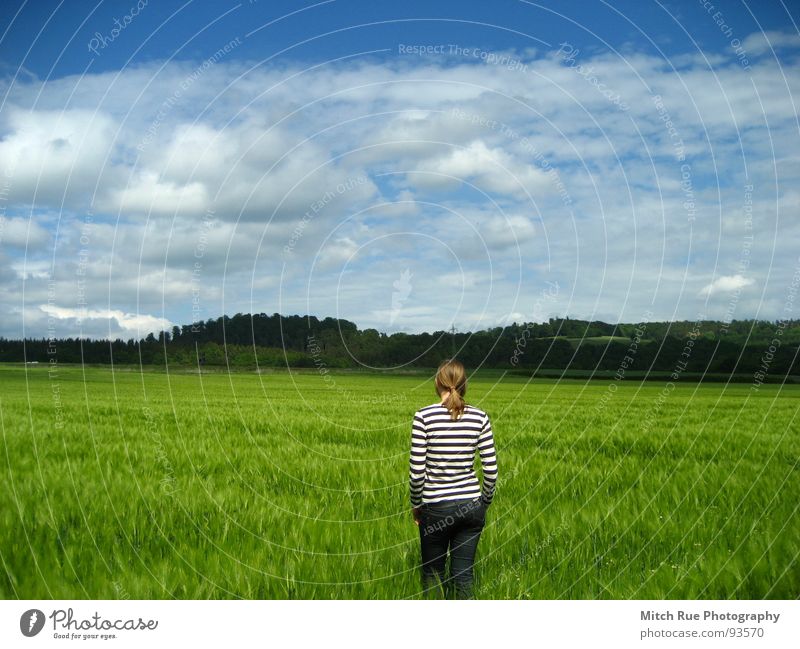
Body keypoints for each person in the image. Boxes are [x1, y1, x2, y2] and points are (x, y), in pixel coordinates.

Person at [409, 358, 498, 599]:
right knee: (463, 576)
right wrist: (484, 503)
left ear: (437, 383)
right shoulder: (480, 417)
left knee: (433, 575)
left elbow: (417, 472)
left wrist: (417, 504)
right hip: (471, 506)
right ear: (464, 385)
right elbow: (491, 469)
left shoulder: (423, 417)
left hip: (435, 507)